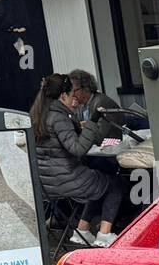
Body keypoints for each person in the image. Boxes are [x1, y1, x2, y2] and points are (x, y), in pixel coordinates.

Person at [31, 73, 125, 247]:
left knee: (97, 181)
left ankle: (82, 230)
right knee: (115, 184)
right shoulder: (58, 117)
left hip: (45, 184)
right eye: (72, 95)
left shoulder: (37, 115)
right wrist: (92, 122)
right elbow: (78, 149)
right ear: (63, 95)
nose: (73, 99)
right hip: (66, 180)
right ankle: (104, 235)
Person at [68, 68, 126, 138]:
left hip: (113, 142)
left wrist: (83, 128)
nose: (72, 94)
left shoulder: (101, 102)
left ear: (86, 88)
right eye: (70, 91)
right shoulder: (80, 105)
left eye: (75, 91)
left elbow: (100, 135)